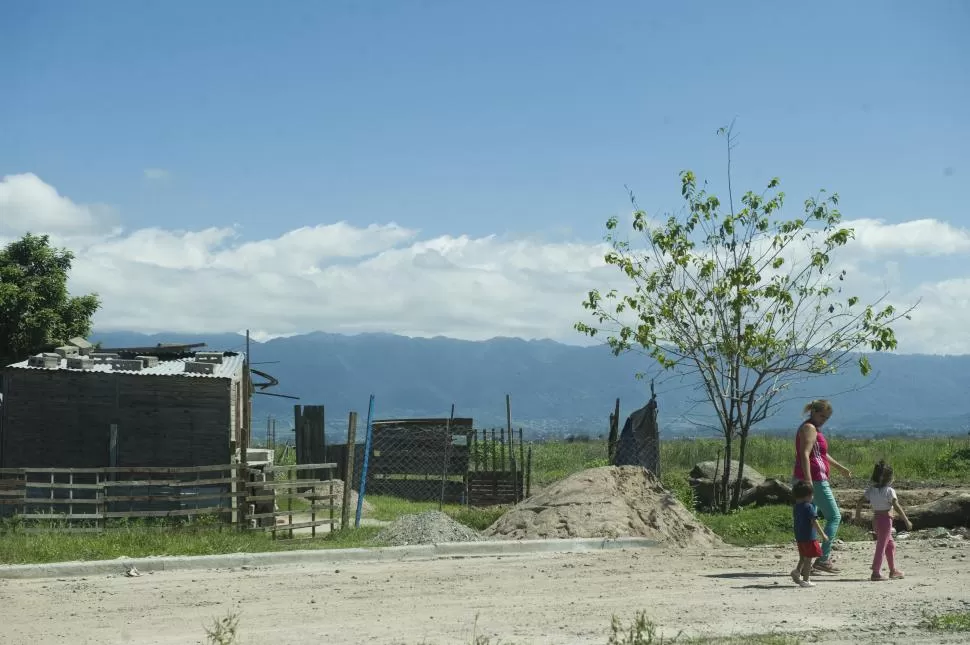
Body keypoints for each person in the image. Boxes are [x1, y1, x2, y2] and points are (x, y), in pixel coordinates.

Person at [793, 399, 851, 573]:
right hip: (815, 479)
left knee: (811, 519)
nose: (823, 419)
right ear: (813, 412)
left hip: (817, 477)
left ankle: (808, 560)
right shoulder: (809, 428)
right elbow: (804, 454)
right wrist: (809, 480)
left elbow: (822, 454)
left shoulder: (814, 429)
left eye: (826, 417)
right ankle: (823, 559)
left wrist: (840, 468)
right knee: (834, 516)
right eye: (821, 416)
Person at [855, 461, 912, 581]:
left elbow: (859, 502)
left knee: (890, 545)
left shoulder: (871, 490)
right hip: (885, 521)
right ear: (889, 478)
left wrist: (858, 517)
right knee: (881, 546)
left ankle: (893, 570)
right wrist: (906, 520)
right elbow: (896, 506)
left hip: (876, 520)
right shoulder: (889, 491)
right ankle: (876, 572)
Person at [791, 480, 829, 588]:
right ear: (807, 496)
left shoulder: (796, 507)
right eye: (812, 495)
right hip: (809, 537)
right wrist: (823, 535)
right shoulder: (809, 506)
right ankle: (806, 580)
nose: (812, 497)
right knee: (808, 559)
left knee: (803, 557)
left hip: (799, 537)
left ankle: (797, 571)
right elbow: (814, 521)